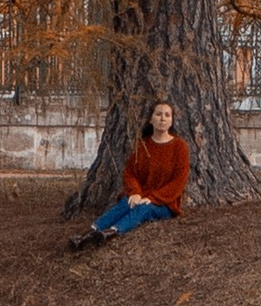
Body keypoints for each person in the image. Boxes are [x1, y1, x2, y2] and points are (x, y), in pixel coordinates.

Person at [69, 101, 192, 248]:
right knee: (126, 203)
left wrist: (153, 198)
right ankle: (87, 234)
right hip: (141, 195)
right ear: (151, 119)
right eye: (158, 114)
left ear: (172, 120)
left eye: (167, 115)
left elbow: (179, 181)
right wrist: (135, 192)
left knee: (143, 209)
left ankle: (109, 233)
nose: (163, 119)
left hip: (165, 203)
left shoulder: (180, 146)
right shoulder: (142, 145)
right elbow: (130, 173)